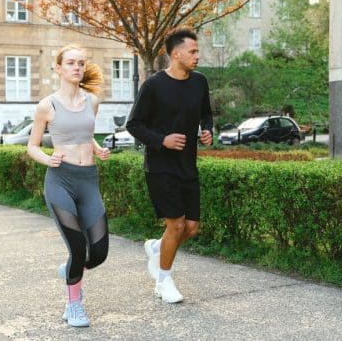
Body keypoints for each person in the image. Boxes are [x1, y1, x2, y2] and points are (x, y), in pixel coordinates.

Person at [125, 27, 213, 303]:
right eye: (193, 51)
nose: (197, 56)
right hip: (161, 167)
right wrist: (162, 140)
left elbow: (206, 114)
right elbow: (134, 125)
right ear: (176, 54)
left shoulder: (200, 82)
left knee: (192, 227)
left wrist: (208, 129)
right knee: (176, 225)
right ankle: (163, 281)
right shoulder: (153, 85)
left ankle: (158, 247)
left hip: (188, 165)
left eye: (197, 51)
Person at [26, 45, 110, 327]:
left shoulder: (92, 102)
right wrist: (47, 159)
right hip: (61, 180)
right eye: (71, 63)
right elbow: (32, 146)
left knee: (98, 253)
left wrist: (96, 147)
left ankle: (70, 271)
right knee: (77, 247)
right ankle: (73, 305)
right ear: (59, 68)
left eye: (81, 63)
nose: (77, 67)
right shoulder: (46, 106)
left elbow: (84, 131)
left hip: (88, 181)